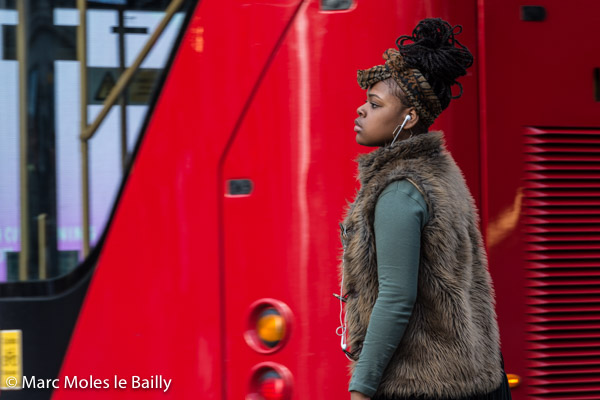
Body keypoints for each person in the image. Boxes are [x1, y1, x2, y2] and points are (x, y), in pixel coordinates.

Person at [336, 18, 512, 400]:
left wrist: (362, 387)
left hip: (423, 384)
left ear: (408, 118)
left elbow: (396, 298)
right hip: (477, 372)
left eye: (374, 103)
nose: (361, 110)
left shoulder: (400, 190)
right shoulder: (442, 172)